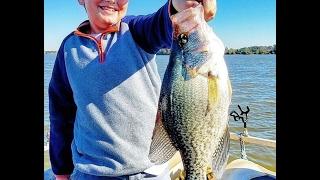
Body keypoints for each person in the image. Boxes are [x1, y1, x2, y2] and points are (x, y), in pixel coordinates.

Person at [48, 0, 216, 179]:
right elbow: (60, 112)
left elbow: (164, 21)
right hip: (91, 171)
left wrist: (184, 4)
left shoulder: (136, 30)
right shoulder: (69, 48)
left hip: (149, 170)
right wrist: (61, 169)